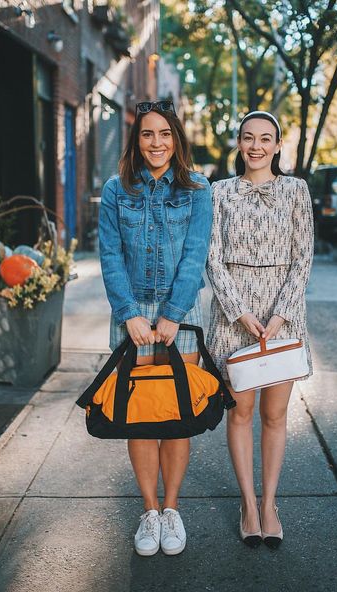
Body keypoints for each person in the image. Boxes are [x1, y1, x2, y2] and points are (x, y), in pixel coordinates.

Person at [99, 100, 212, 557]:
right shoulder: (115, 189)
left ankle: (171, 509)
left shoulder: (197, 188)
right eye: (147, 134)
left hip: (178, 312)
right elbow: (109, 255)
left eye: (165, 134)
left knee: (175, 417)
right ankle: (149, 511)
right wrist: (129, 314)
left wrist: (173, 314)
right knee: (140, 416)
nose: (156, 143)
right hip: (130, 314)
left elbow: (195, 255)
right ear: (136, 140)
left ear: (176, 140)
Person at [206, 111, 314, 549]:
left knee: (274, 415)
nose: (256, 146)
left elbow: (303, 257)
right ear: (238, 142)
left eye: (265, 139)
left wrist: (280, 314)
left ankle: (270, 503)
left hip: (283, 316)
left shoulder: (296, 191)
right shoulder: (219, 192)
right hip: (235, 317)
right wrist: (239, 312)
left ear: (277, 144)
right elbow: (211, 257)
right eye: (248, 138)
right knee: (241, 412)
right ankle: (248, 505)